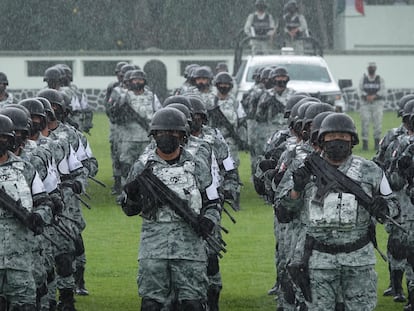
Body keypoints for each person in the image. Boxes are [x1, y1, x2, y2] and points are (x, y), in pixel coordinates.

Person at [277, 112, 400, 310]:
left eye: (343, 137)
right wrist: (296, 190)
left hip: (358, 259)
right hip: (318, 261)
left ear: (352, 140)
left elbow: (394, 206)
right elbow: (283, 213)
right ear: (321, 139)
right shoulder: (305, 169)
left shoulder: (371, 170)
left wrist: (383, 207)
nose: (337, 142)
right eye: (331, 137)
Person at [121, 107, 221, 311]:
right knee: (151, 304)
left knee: (193, 304)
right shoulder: (143, 166)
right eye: (161, 133)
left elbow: (212, 201)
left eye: (173, 132)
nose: (167, 136)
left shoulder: (197, 165)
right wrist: (131, 196)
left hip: (189, 246)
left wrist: (209, 220)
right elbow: (130, 210)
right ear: (154, 136)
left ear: (182, 135)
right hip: (153, 246)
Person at [0, 114, 53, 310]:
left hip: (21, 256)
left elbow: (44, 201)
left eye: (2, 137)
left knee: (25, 305)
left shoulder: (25, 169)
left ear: (11, 139)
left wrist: (39, 216)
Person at [359, 62, 386, 151]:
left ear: (375, 68)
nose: (371, 69)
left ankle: (377, 144)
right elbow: (360, 90)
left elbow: (382, 90)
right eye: (370, 67)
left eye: (373, 67)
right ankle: (365, 144)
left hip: (377, 103)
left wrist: (374, 96)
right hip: (365, 103)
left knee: (377, 123)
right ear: (367, 68)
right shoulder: (363, 78)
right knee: (365, 122)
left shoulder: (379, 79)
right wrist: (366, 96)